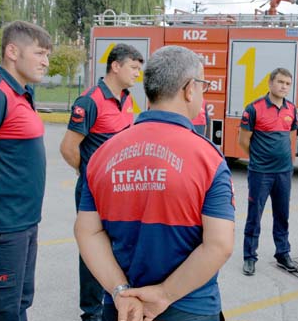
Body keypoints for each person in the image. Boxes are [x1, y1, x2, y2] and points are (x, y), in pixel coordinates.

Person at [74, 46, 235, 321]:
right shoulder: (208, 158)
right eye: (202, 85)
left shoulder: (103, 154)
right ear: (189, 89)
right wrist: (164, 294)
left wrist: (120, 290)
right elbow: (219, 244)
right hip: (190, 307)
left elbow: (86, 232)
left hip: (123, 308)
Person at [0, 20, 52, 320]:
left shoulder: (21, 94)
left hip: (23, 224)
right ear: (13, 52)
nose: (46, 62)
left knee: (18, 306)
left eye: (47, 55)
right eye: (40, 53)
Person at [60, 43, 143, 321]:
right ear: (115, 66)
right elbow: (68, 148)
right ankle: (91, 311)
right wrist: (88, 173)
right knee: (93, 247)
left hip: (120, 188)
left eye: (139, 69)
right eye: (133, 67)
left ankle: (113, 299)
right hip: (94, 190)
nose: (137, 74)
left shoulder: (127, 99)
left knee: (118, 244)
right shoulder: (90, 101)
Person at [240, 67, 298, 276]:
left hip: (284, 172)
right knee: (254, 215)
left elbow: (290, 137)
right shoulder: (253, 108)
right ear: (270, 83)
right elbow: (243, 141)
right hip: (261, 172)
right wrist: (258, 159)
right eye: (280, 82)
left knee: (282, 215)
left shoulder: (291, 109)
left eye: (287, 83)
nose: (284, 87)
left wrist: (287, 160)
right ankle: (249, 257)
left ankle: (282, 253)